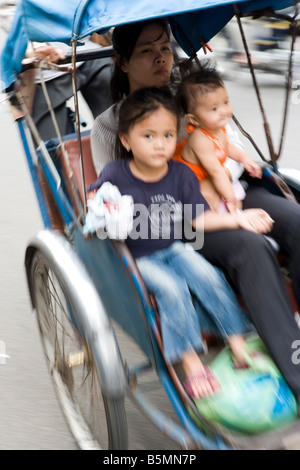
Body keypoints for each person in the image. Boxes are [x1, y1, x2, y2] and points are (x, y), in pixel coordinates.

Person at [90, 18, 300, 401]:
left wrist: (232, 181)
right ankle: (295, 367)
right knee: (249, 247)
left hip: (233, 188)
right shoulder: (111, 125)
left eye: (165, 48)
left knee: (297, 222)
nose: (161, 58)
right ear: (122, 62)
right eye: (146, 51)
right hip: (176, 216)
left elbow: (227, 142)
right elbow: (115, 188)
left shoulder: (192, 92)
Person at [175, 66, 262, 214]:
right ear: (194, 119)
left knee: (237, 193)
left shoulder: (217, 127)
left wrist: (245, 159)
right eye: (214, 109)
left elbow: (226, 147)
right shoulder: (199, 139)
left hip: (215, 178)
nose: (223, 112)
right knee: (225, 201)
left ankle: (235, 215)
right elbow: (216, 171)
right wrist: (230, 198)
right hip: (193, 185)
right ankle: (231, 216)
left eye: (226, 102)